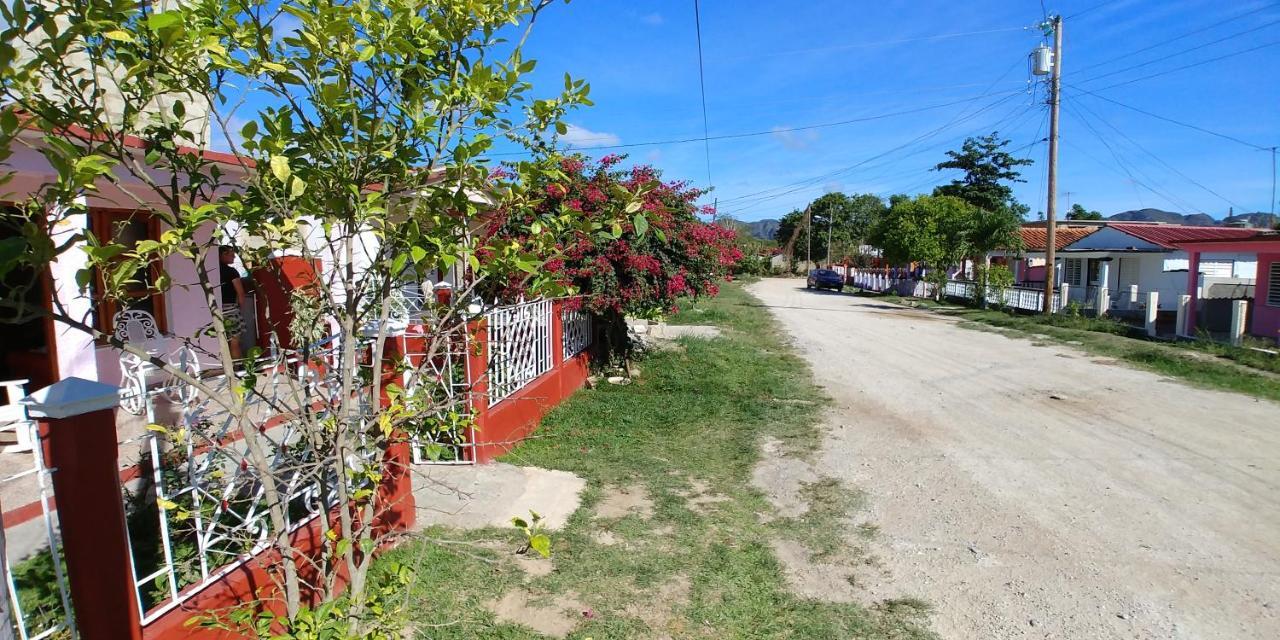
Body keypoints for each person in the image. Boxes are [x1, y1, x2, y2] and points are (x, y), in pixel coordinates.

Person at [218, 245, 246, 360]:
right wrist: (240, 306)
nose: (234, 257)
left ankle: (225, 369)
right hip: (230, 309)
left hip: (216, 310)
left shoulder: (212, 270)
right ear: (223, 255)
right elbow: (240, 293)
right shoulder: (231, 272)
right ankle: (237, 370)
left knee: (221, 342)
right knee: (234, 342)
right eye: (231, 254)